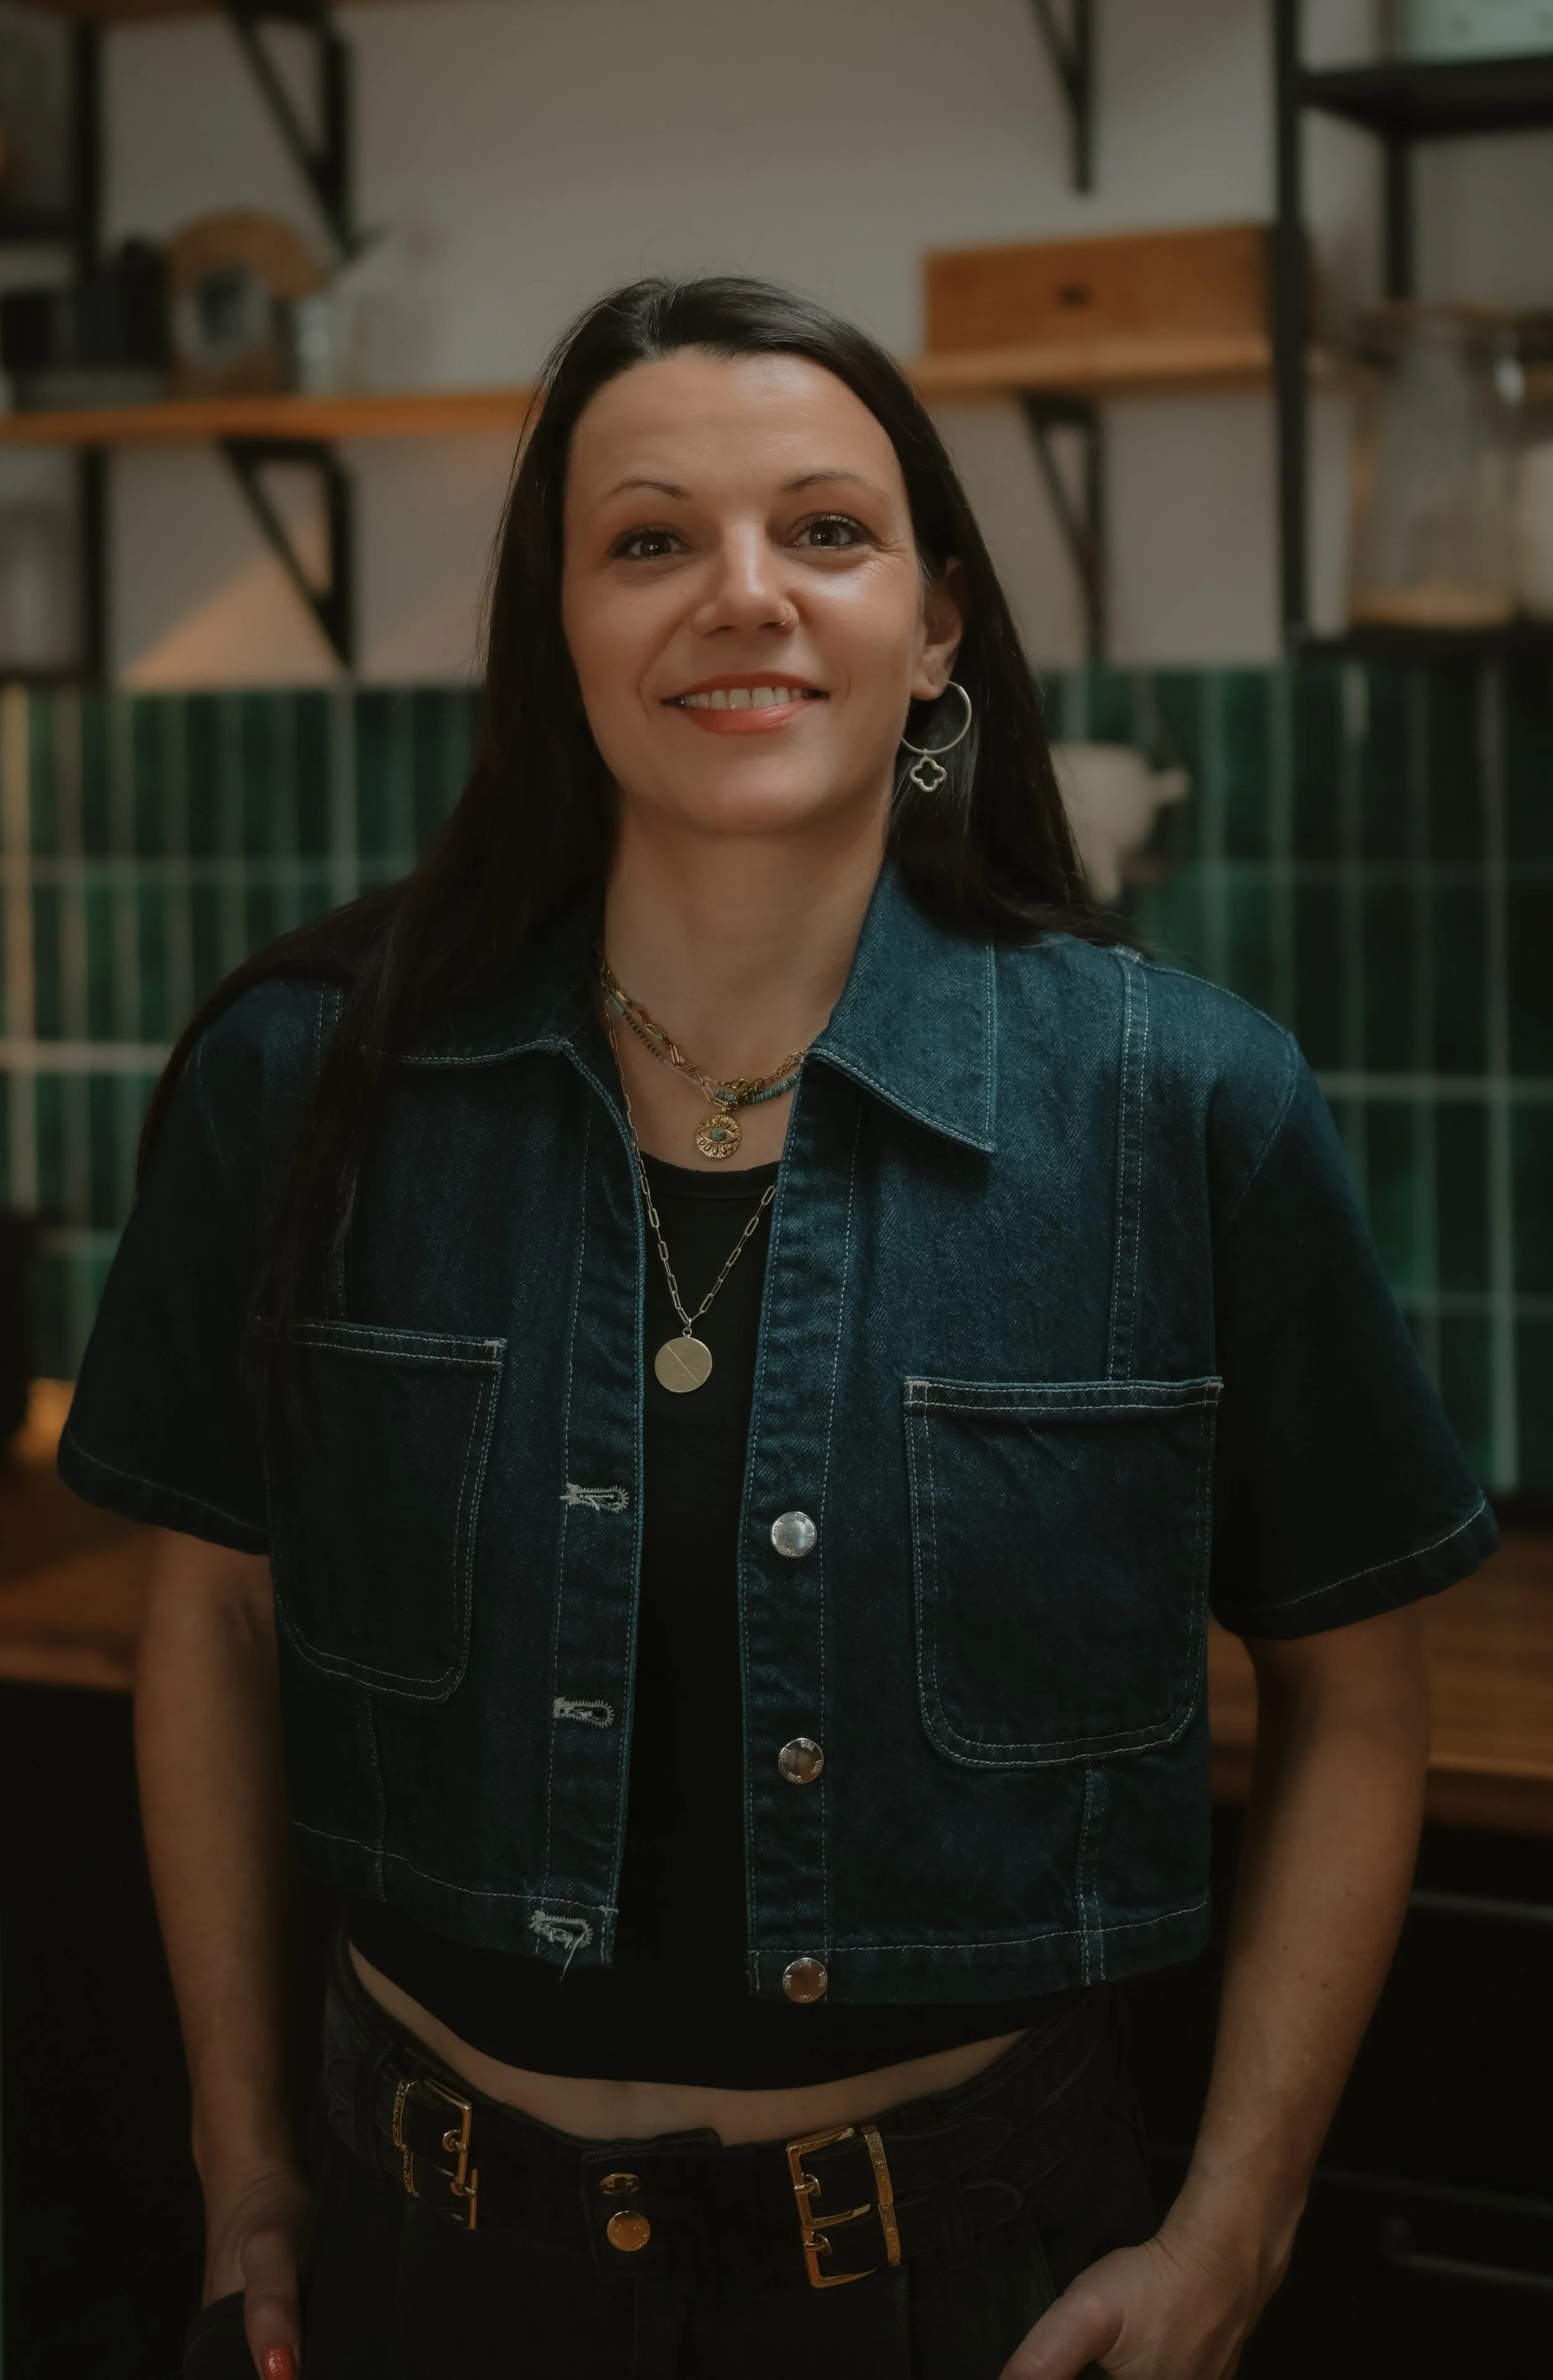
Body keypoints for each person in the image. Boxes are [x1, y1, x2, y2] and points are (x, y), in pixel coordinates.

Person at [61, 276, 1495, 2380]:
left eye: (824, 530)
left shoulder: (1178, 1106)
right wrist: (241, 2157)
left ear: (933, 625)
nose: (743, 593)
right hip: (417, 2275)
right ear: (561, 633)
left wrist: (1237, 2223)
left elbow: (1357, 1699)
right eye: (649, 539)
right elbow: (204, 1613)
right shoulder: (307, 1088)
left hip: (967, 2297)